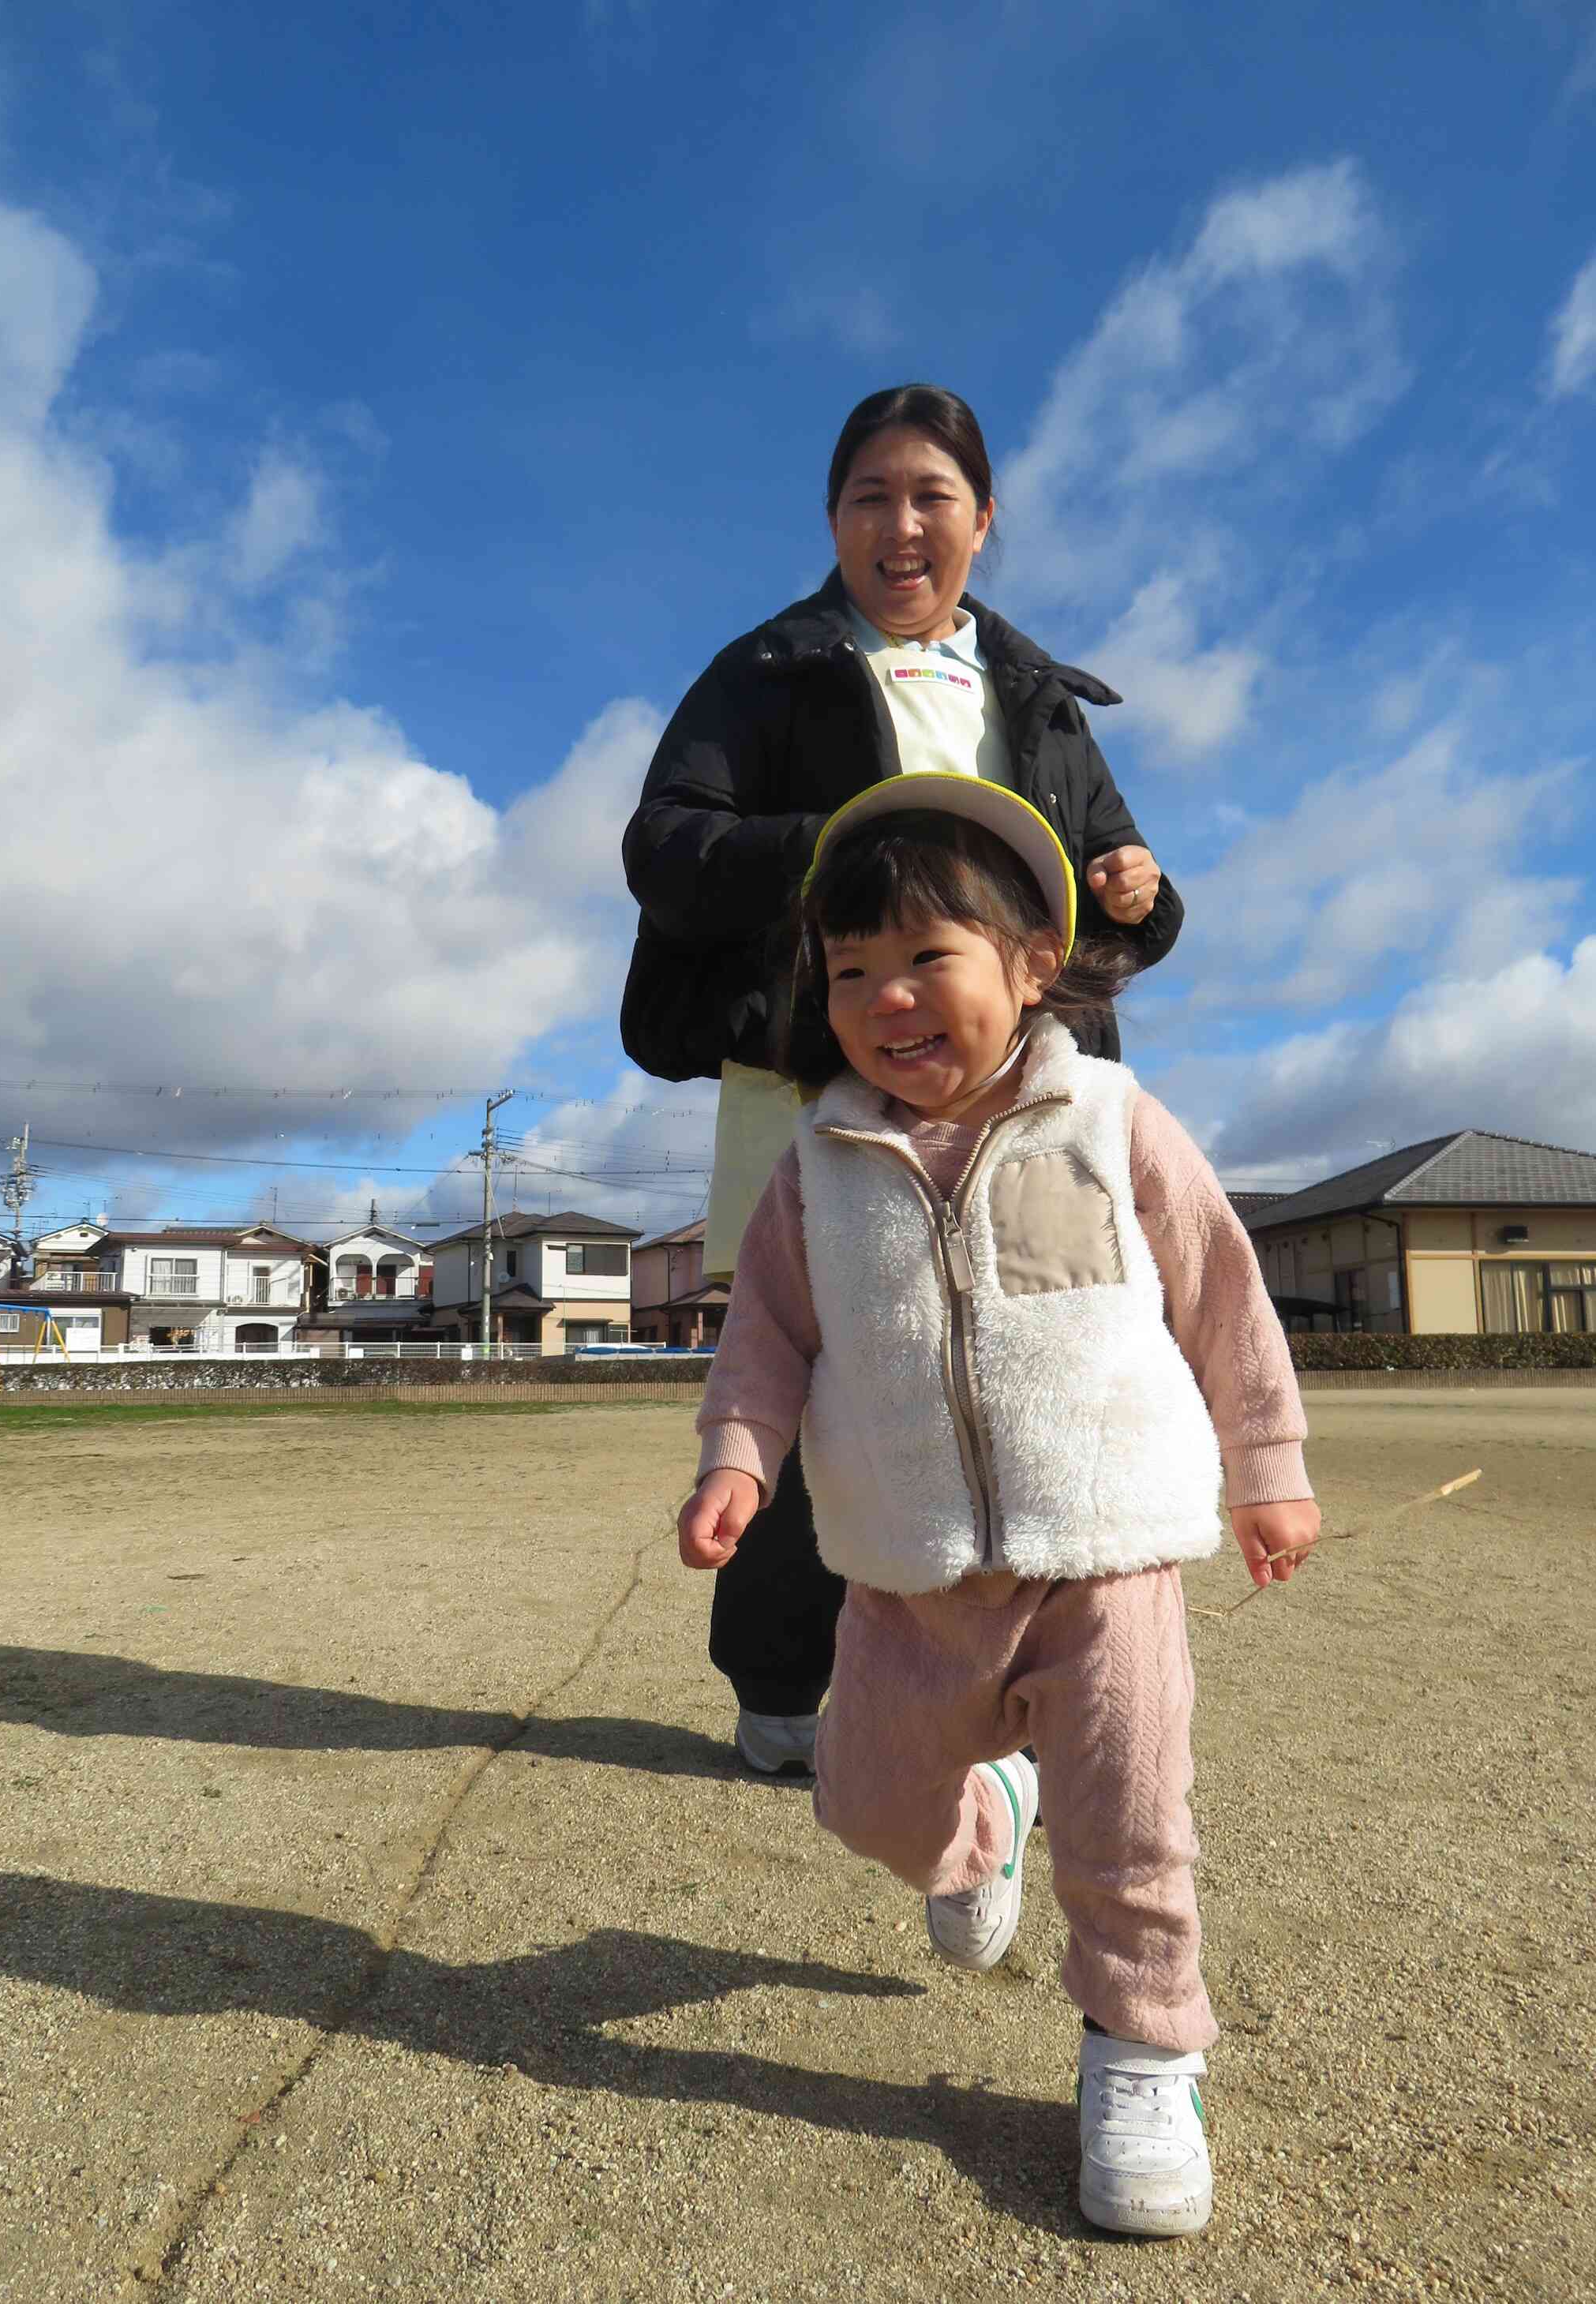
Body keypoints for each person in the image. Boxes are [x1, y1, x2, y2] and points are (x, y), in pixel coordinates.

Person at [676, 775, 1317, 2237]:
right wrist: (735, 1456)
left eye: (925, 959)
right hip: (905, 1573)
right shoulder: (815, 1168)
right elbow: (766, 1338)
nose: (886, 999)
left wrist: (1267, 1469)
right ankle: (983, 1822)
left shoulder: (1109, 1119)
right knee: (868, 1804)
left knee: (1135, 1822)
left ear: (1033, 963)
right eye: (849, 972)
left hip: (1105, 1556)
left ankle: (1145, 2050)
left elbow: (1222, 1295)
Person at [621, 384, 1185, 1777]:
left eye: (931, 495)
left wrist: (1140, 892)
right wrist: (846, 841)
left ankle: (1019, 1703)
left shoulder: (1038, 695)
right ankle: (774, 1686)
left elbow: (1112, 888)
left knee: (1034, 1368)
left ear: (982, 522)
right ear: (832, 522)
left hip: (1021, 1095)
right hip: (819, 1066)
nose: (900, 523)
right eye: (869, 496)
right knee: (814, 1381)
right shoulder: (769, 671)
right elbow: (663, 843)